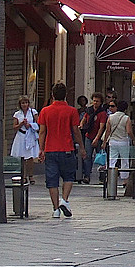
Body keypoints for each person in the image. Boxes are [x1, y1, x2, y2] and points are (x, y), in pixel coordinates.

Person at [37, 83, 85, 218]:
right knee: (69, 176)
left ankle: (55, 209)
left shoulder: (45, 111)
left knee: (52, 180)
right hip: (67, 149)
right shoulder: (72, 111)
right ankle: (64, 200)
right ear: (65, 95)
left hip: (50, 149)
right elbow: (76, 131)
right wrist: (81, 147)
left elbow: (42, 132)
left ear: (52, 95)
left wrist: (41, 149)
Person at [101, 99, 135, 193]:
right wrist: (133, 138)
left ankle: (111, 179)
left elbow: (108, 131)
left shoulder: (110, 117)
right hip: (123, 142)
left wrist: (104, 143)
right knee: (125, 161)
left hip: (113, 142)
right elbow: (128, 131)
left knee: (112, 160)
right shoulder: (126, 118)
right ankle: (125, 180)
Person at [9, 95, 40, 185]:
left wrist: (30, 125)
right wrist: (21, 124)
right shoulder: (17, 114)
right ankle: (23, 176)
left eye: (26, 103)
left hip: (29, 135)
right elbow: (14, 127)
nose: (24, 105)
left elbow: (38, 124)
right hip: (21, 136)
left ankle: (31, 175)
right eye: (23, 103)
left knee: (30, 157)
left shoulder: (33, 112)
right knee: (22, 157)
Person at [79, 93, 107, 185]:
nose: (95, 103)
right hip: (88, 136)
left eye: (97, 101)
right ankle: (87, 176)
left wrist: (96, 138)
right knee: (87, 157)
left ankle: (102, 177)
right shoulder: (89, 110)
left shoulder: (102, 113)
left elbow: (101, 127)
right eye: (94, 101)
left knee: (101, 157)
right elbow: (84, 118)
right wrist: (82, 124)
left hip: (98, 138)